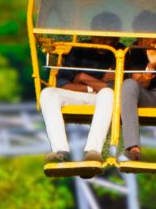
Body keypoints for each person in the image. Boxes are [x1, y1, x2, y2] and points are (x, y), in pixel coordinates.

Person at [38, 47, 129, 176]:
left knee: (108, 93)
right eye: (100, 38)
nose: (104, 42)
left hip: (105, 98)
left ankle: (93, 151)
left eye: (108, 39)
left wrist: (82, 77)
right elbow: (63, 84)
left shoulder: (121, 53)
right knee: (48, 93)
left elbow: (118, 89)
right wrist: (93, 85)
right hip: (78, 94)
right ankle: (60, 151)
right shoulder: (79, 50)